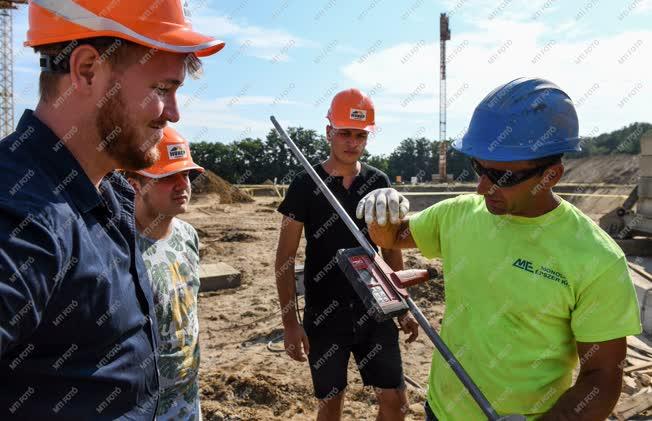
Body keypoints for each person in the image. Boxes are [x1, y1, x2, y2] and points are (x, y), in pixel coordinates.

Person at [359, 77, 641, 420]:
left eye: (502, 176)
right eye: (479, 169)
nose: (482, 187)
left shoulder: (596, 259)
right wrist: (383, 209)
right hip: (441, 409)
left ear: (551, 175)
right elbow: (391, 237)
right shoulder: (459, 214)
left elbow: (602, 377)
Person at [0, 1, 223, 419]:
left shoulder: (113, 194)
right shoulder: (20, 212)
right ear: (86, 70)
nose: (173, 113)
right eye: (162, 90)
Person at [274, 88, 419, 421]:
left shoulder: (379, 182)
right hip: (325, 314)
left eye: (360, 135)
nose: (352, 142)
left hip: (376, 310)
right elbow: (284, 259)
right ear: (329, 132)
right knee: (331, 404)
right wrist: (290, 323)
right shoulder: (304, 184)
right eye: (344, 133)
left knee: (396, 403)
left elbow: (391, 249)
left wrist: (403, 305)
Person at [125, 127, 204, 420]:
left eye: (186, 174)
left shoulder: (188, 236)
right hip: (138, 406)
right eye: (167, 177)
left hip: (186, 400)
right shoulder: (117, 246)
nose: (182, 185)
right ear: (135, 184)